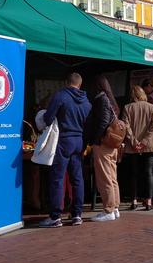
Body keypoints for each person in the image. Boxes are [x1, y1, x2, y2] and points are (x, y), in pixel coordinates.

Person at [39, 73, 91, 228]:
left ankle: (55, 217)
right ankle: (77, 215)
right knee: (77, 179)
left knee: (57, 178)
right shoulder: (87, 102)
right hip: (79, 141)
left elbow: (48, 118)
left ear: (67, 82)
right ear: (80, 84)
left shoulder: (61, 96)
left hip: (63, 140)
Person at [84, 75, 121, 222]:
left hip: (103, 144)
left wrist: (96, 140)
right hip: (112, 144)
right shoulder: (111, 100)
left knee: (104, 178)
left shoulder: (101, 99)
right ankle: (115, 207)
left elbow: (103, 121)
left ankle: (108, 210)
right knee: (112, 177)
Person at [122, 85, 153, 211]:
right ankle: (148, 201)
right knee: (148, 173)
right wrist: (144, 141)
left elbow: (126, 127)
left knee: (134, 174)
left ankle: (134, 201)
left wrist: (134, 142)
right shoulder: (151, 107)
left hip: (133, 146)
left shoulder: (127, 108)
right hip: (149, 145)